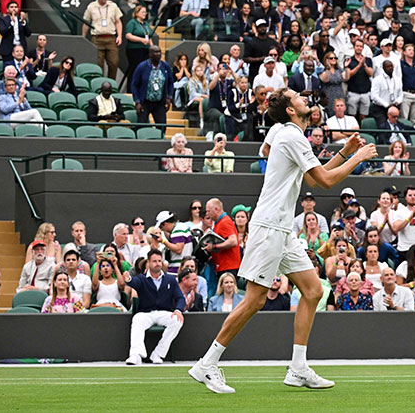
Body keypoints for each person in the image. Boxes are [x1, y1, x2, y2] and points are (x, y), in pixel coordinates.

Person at [189, 88, 376, 394]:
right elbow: (326, 181)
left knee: (313, 291)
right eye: (297, 97)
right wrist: (358, 157)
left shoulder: (292, 136)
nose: (304, 98)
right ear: (290, 110)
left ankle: (298, 368)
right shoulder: (291, 136)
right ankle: (207, 364)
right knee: (255, 300)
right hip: (269, 228)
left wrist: (344, 152)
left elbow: (313, 177)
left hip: (283, 229)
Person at [126, 249, 184, 365]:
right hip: (146, 313)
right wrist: (129, 279)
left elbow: (180, 298)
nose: (157, 264)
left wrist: (178, 310)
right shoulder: (142, 278)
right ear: (148, 262)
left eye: (159, 261)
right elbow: (134, 282)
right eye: (154, 261)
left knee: (177, 320)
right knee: (137, 319)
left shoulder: (170, 279)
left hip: (164, 313)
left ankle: (158, 354)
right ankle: (136, 355)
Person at [82, 0, 124, 80]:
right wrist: (83, 36)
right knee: (98, 64)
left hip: (111, 38)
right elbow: (86, 22)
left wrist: (119, 36)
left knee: (114, 62)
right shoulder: (92, 6)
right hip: (97, 38)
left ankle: (111, 83)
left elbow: (118, 22)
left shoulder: (113, 6)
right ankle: (99, 83)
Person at [130, 45, 173, 125]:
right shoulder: (142, 67)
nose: (158, 54)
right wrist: (137, 101)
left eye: (159, 52)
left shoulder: (165, 66)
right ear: (150, 54)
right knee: (141, 126)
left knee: (162, 127)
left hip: (159, 102)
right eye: (156, 52)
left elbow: (170, 82)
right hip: (144, 102)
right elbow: (134, 85)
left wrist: (169, 97)